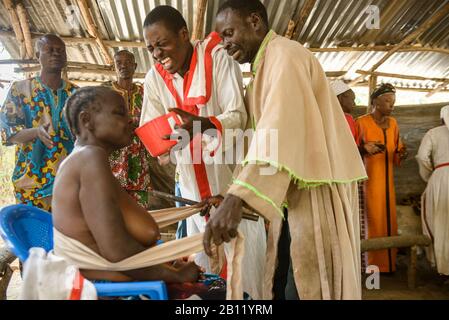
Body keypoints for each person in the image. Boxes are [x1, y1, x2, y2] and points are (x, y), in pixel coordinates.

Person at [208, 0, 367, 300]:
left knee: (312, 286)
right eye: (221, 38)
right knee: (284, 283)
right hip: (292, 199)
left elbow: (276, 130)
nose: (225, 45)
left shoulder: (285, 55)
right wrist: (232, 194)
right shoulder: (261, 71)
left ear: (255, 21)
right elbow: (255, 142)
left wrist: (237, 197)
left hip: (318, 190)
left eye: (229, 33)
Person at [140, 6, 267, 299]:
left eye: (163, 44)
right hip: (193, 194)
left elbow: (238, 117)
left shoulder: (219, 58)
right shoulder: (153, 79)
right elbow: (154, 131)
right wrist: (163, 147)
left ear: (184, 35)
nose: (157, 53)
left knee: (246, 271)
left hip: (233, 188)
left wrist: (205, 125)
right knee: (204, 277)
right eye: (150, 48)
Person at [52, 86, 226, 300]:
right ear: (86, 120)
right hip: (112, 291)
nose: (131, 119)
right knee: (222, 294)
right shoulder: (90, 159)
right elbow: (116, 251)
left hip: (119, 279)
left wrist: (167, 264)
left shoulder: (86, 159)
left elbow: (115, 233)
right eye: (119, 113)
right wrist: (175, 275)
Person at [0, 34, 77, 211]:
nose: (56, 54)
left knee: (66, 238)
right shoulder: (20, 90)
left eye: (60, 51)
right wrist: (35, 132)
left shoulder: (77, 94)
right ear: (37, 55)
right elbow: (8, 134)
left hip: (69, 185)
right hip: (32, 186)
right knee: (35, 237)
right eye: (49, 50)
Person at [105, 50, 175, 210]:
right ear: (114, 66)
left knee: (139, 197)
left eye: (128, 62)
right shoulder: (106, 93)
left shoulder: (144, 92)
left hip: (140, 153)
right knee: (114, 196)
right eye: (119, 63)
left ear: (135, 66)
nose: (123, 66)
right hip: (114, 153)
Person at [355, 83, 408, 273]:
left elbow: (397, 151)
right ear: (375, 101)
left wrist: (401, 154)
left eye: (393, 102)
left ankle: (388, 266)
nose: (391, 105)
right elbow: (352, 150)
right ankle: (372, 268)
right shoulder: (361, 122)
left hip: (387, 183)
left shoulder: (393, 124)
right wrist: (365, 149)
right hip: (368, 183)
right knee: (372, 222)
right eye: (387, 101)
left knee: (388, 222)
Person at [416, 105, 449, 277]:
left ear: (442, 118)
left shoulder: (434, 133)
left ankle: (444, 268)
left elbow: (422, 157)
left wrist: (429, 176)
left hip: (441, 178)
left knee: (440, 224)